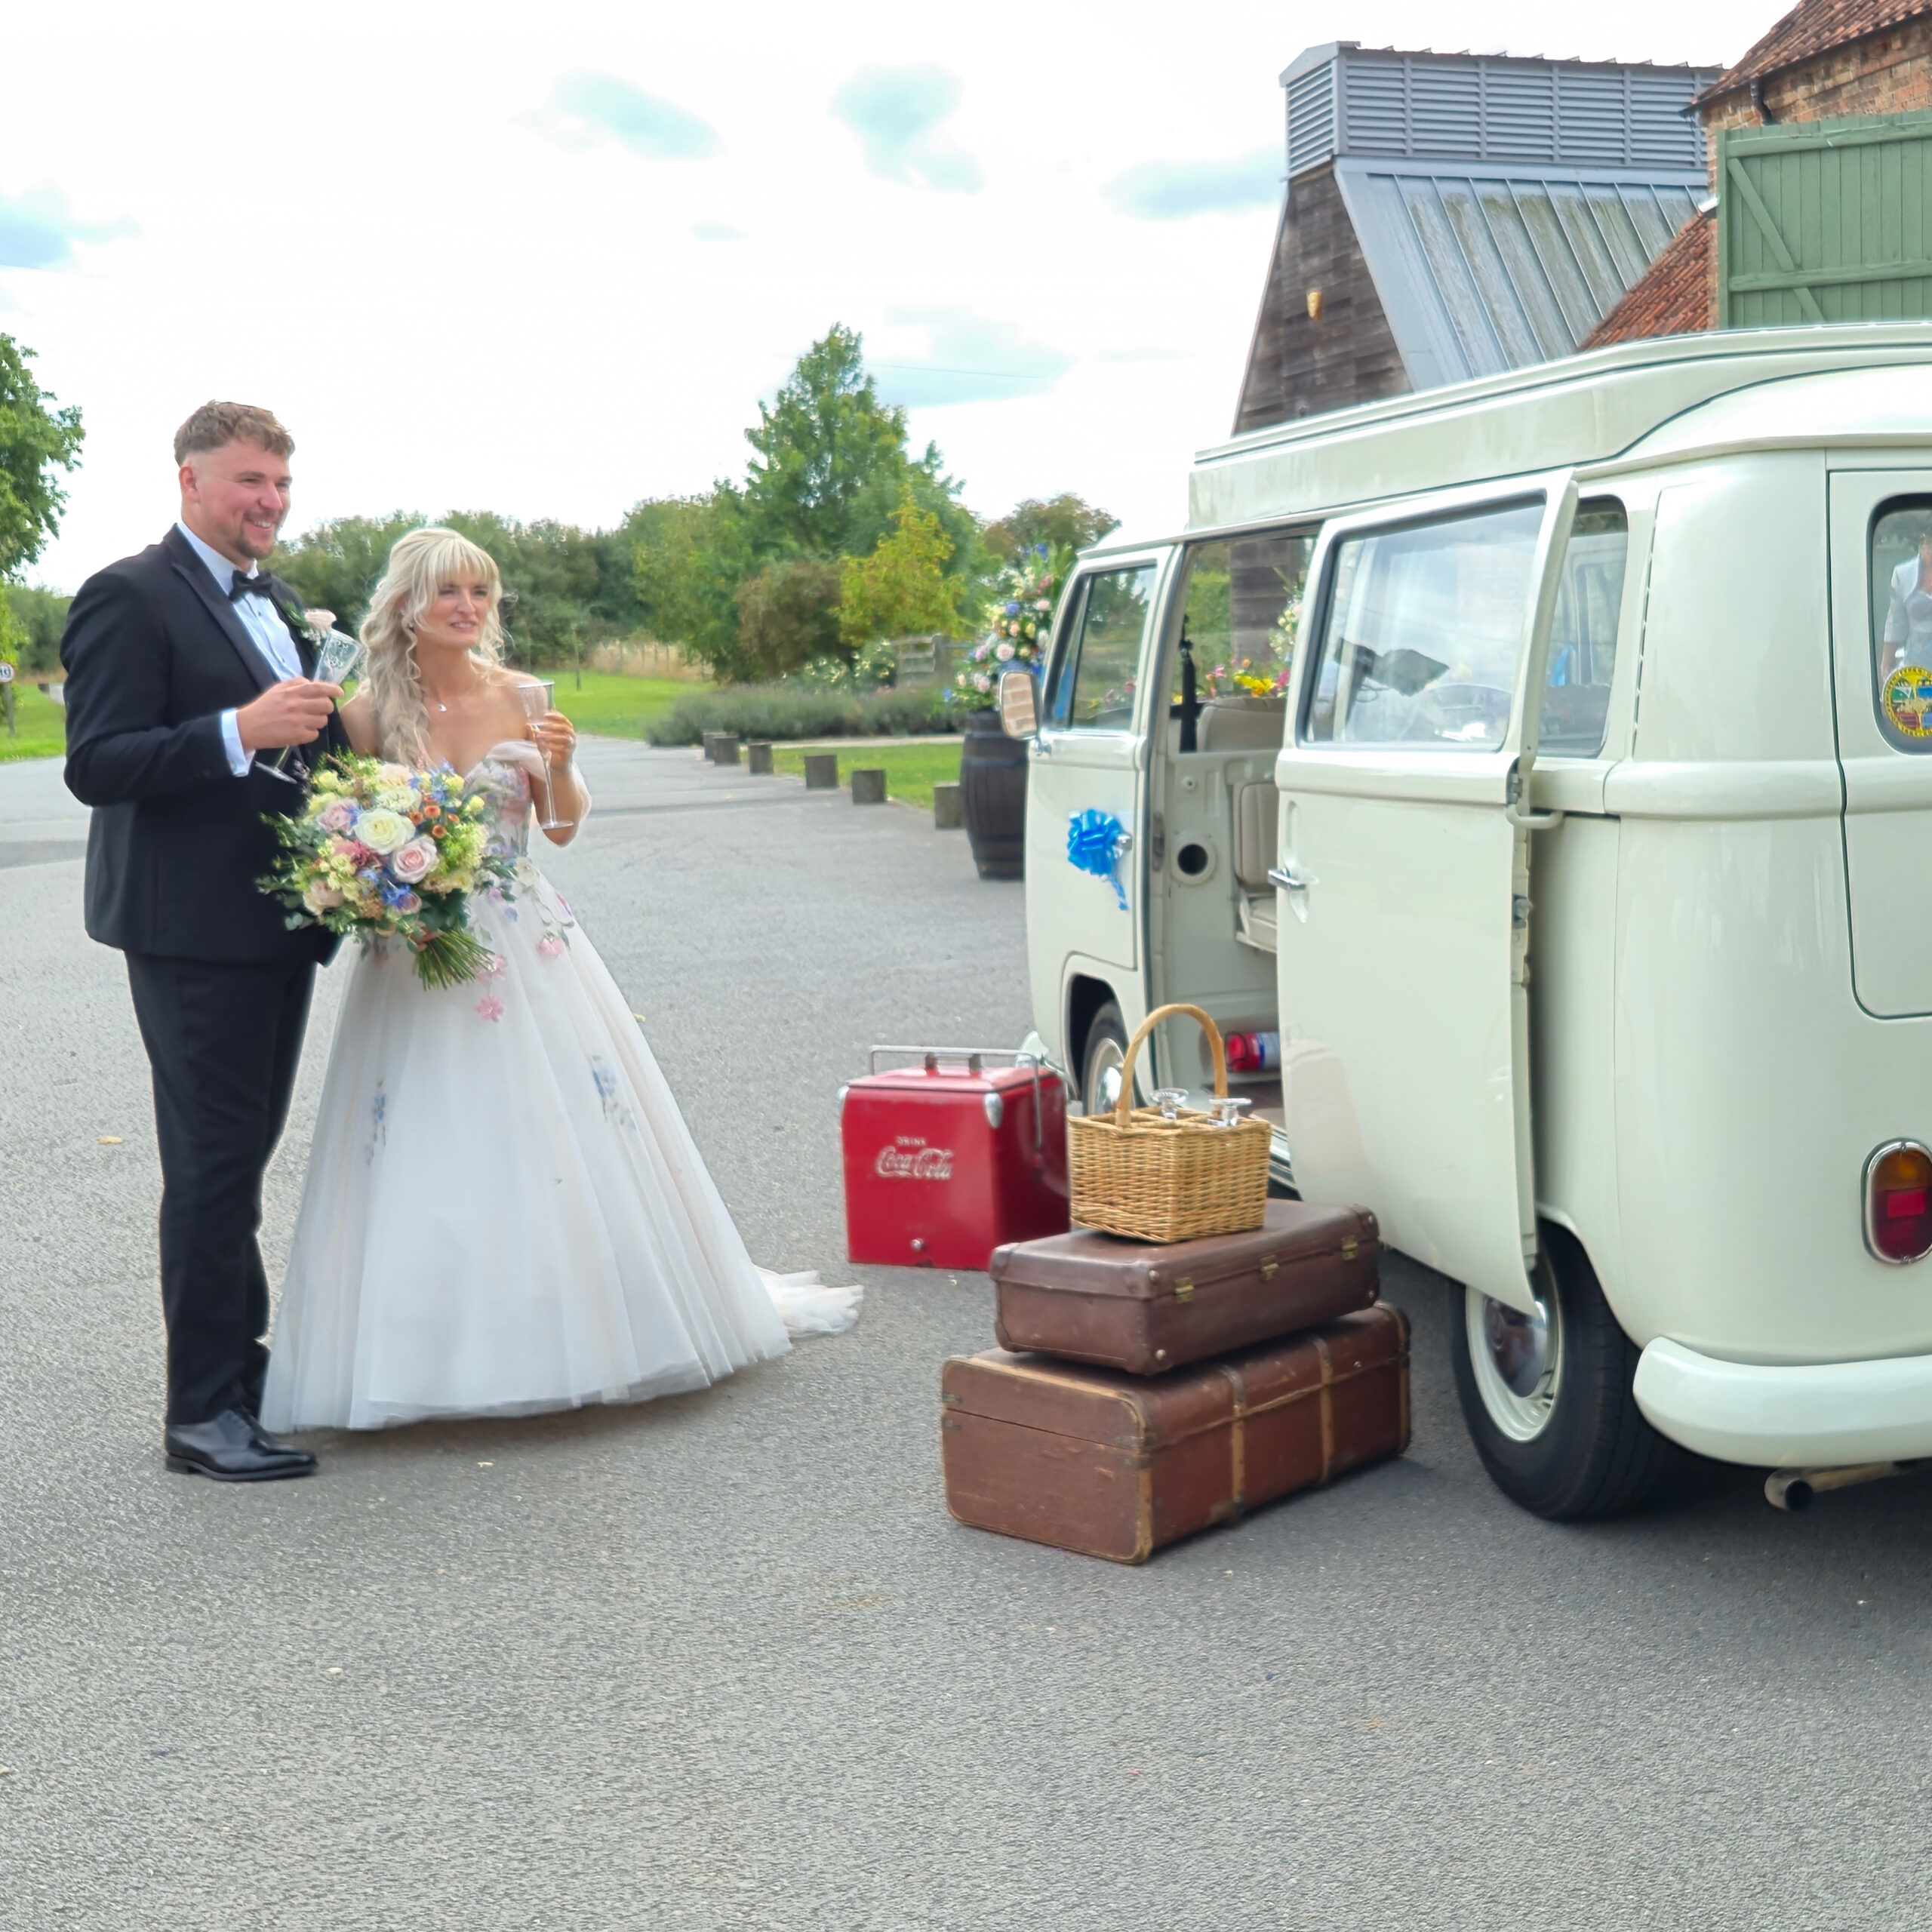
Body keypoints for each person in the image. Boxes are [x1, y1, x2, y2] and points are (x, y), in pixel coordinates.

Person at [260, 528, 856, 1432]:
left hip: (525, 937)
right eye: (449, 592)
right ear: (407, 605)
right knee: (426, 1134)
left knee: (558, 1125)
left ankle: (588, 1322)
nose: (468, 608)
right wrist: (374, 876)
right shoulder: (365, 715)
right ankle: (430, 1343)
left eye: (481, 593)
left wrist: (566, 766)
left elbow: (564, 828)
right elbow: (338, 824)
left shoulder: (525, 695)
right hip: (413, 952)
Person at [60, 401, 349, 1481]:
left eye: (279, 483)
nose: (268, 501)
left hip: (278, 922)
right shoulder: (127, 595)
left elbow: (309, 748)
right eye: (247, 482)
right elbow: (97, 762)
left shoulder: (272, 595)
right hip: (191, 933)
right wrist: (240, 730)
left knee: (241, 1158)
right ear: (188, 482)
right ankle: (199, 1415)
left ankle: (245, 1373)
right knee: (212, 1165)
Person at [1882, 528, 1932, 678]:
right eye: (1928, 543)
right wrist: (1886, 665)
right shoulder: (1903, 573)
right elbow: (1895, 623)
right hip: (1915, 665)